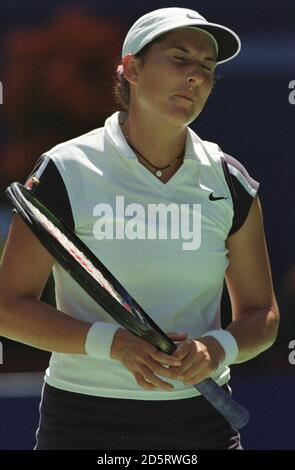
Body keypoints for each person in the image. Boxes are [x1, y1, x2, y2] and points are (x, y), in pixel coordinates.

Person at [0, 7, 279, 450]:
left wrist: (215, 349)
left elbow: (263, 315)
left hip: (203, 427)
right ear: (130, 68)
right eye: (179, 59)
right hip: (81, 421)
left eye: (206, 68)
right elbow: (8, 307)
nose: (195, 77)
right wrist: (112, 344)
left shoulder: (230, 182)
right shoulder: (65, 170)